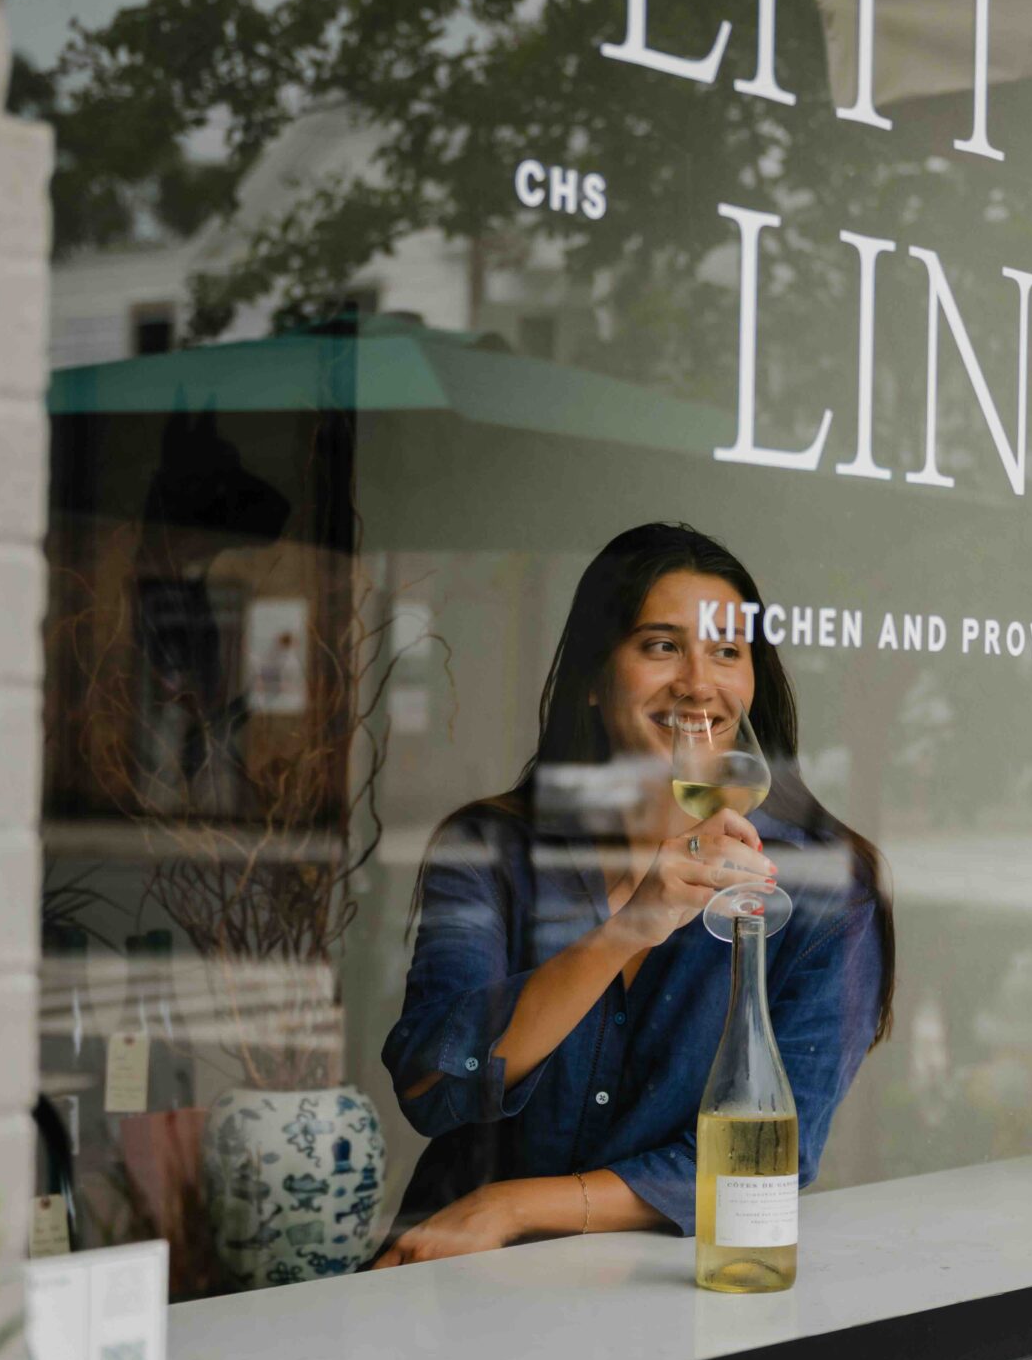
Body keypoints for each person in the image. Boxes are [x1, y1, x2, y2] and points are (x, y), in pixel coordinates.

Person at [374, 523, 895, 1266]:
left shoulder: (823, 891)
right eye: (660, 645)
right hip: (457, 1276)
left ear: (753, 682)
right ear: (594, 674)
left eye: (726, 650)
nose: (697, 680)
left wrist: (513, 1204)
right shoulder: (492, 849)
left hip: (668, 1292)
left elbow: (765, 1161)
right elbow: (428, 1082)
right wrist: (630, 926)